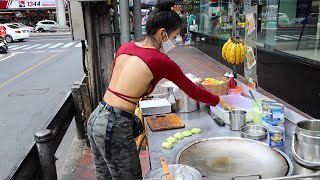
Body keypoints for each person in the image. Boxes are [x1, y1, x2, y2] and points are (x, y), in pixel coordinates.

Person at [87, 0, 231, 179]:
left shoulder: (126, 48)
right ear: (163, 33)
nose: (174, 41)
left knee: (105, 177)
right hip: (115, 125)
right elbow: (192, 91)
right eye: (174, 36)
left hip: (97, 116)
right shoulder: (160, 60)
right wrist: (219, 100)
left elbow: (119, 85)